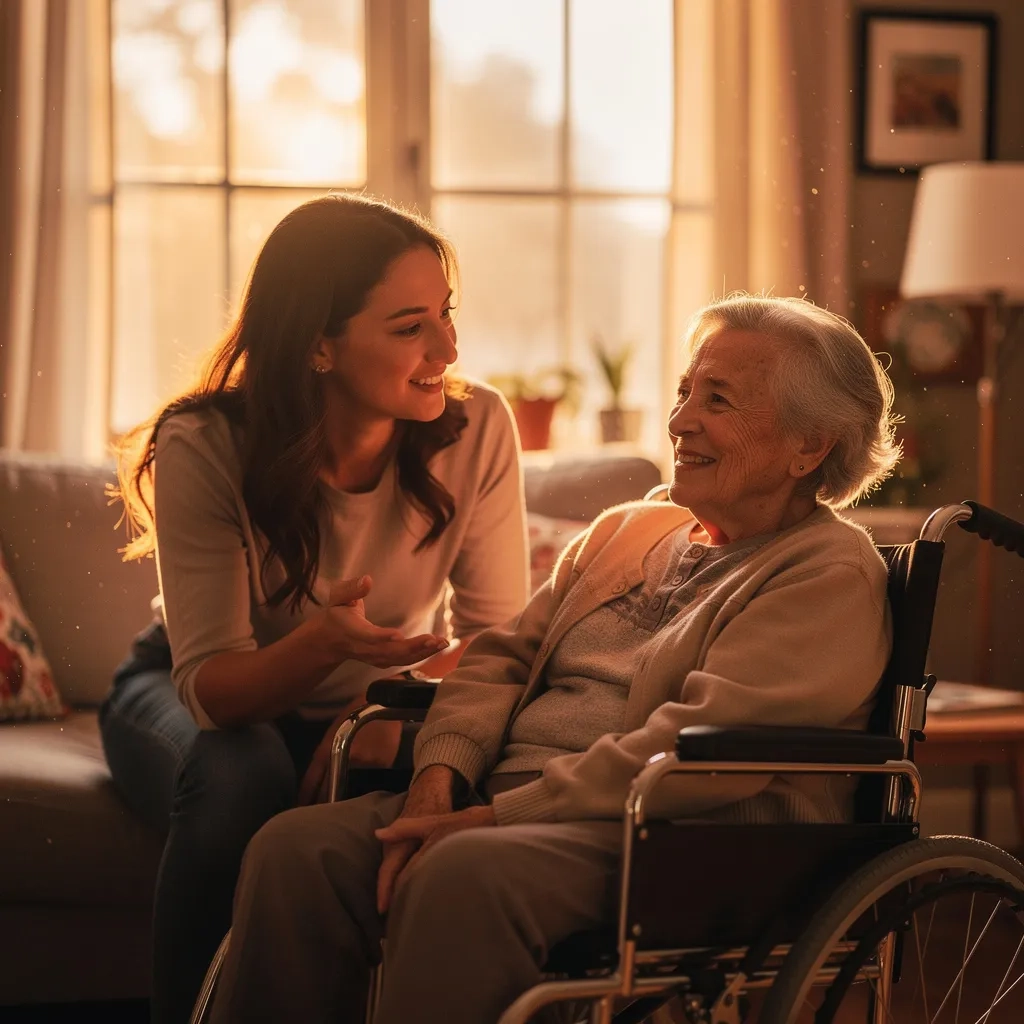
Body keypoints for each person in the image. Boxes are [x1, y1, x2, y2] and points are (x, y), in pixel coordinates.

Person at [208, 294, 902, 1024]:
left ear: (810, 445)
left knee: (459, 874)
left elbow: (702, 751)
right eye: (684, 392)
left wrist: (499, 818)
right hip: (514, 813)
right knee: (297, 853)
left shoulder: (826, 573)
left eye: (718, 401)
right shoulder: (627, 529)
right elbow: (500, 660)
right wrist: (436, 785)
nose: (680, 421)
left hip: (676, 844)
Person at [98, 194, 529, 1024]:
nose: (448, 346)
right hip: (196, 687)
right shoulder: (205, 442)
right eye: (410, 328)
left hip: (373, 698)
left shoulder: (479, 427)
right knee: (242, 774)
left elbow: (495, 642)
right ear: (319, 344)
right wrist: (326, 644)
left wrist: (365, 712)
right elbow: (214, 690)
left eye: (446, 314)